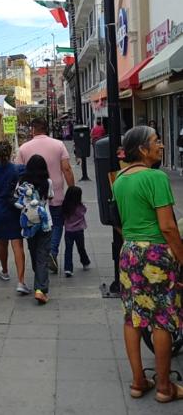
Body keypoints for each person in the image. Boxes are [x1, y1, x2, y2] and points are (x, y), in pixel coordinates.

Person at [112, 126, 183, 403]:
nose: (161, 145)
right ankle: (164, 387)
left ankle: (138, 381)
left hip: (129, 251)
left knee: (133, 317)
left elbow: (121, 220)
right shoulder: (156, 178)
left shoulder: (120, 178)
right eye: (156, 141)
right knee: (161, 319)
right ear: (142, 149)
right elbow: (167, 226)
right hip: (156, 253)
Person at [16, 117, 75, 274]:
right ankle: (52, 252)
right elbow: (67, 169)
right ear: (46, 129)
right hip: (56, 193)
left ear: (33, 130)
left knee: (35, 225)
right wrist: (72, 189)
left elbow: (19, 172)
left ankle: (40, 257)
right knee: (57, 224)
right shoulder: (58, 145)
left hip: (32, 199)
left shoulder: (24, 148)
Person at [0, 140, 30, 295]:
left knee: (2, 243)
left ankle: (5, 271)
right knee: (18, 245)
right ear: (10, 154)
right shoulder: (18, 169)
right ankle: (21, 281)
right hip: (14, 209)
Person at [17, 155, 54, 304]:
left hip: (29, 223)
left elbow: (17, 198)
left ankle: (39, 280)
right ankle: (40, 289)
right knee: (42, 255)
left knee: (33, 252)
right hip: (45, 223)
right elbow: (50, 197)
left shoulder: (22, 182)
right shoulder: (48, 182)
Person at [62, 185, 90, 277]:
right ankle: (85, 261)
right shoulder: (79, 207)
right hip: (79, 230)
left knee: (68, 249)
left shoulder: (65, 206)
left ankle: (68, 268)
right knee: (81, 247)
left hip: (68, 231)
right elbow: (83, 211)